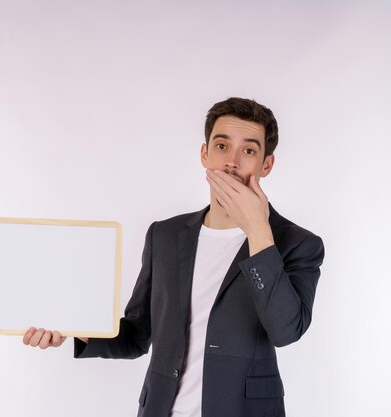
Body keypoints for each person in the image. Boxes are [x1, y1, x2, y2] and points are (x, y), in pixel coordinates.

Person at [23, 97, 325, 417]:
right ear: (204, 154)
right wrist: (74, 326)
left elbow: (286, 331)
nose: (232, 162)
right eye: (221, 146)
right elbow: (137, 336)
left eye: (249, 150)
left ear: (266, 164)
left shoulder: (297, 244)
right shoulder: (165, 236)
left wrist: (258, 232)